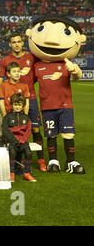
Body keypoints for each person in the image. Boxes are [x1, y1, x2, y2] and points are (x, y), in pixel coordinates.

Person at [26, 15, 86, 174]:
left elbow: (76, 76)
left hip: (65, 106)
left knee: (68, 134)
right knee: (50, 135)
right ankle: (53, 160)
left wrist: (75, 70)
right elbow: (29, 83)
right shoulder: (37, 66)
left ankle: (71, 162)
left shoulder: (65, 64)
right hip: (47, 107)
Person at [0, 32, 45, 172]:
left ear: (22, 43)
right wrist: (10, 86)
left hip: (31, 99)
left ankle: (41, 160)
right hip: (13, 103)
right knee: (14, 129)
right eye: (14, 42)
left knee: (35, 129)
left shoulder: (32, 57)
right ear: (10, 44)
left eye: (19, 41)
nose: (17, 44)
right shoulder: (5, 61)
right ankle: (16, 161)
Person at [3, 93, 36, 182]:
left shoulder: (26, 118)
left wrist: (22, 140)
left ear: (23, 105)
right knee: (12, 152)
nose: (17, 107)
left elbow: (28, 131)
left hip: (22, 141)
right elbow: (5, 130)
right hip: (12, 141)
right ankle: (11, 173)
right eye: (15, 105)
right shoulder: (7, 117)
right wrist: (14, 140)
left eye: (19, 105)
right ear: (12, 105)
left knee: (28, 153)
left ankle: (27, 173)